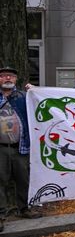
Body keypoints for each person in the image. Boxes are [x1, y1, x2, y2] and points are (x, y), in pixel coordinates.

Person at [0, 67, 41, 232]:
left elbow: (40, 107)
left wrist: (35, 92)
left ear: (16, 79)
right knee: (0, 181)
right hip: (1, 148)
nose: (8, 78)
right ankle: (1, 215)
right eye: (3, 76)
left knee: (23, 179)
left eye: (11, 76)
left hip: (21, 146)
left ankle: (24, 208)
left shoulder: (24, 97)